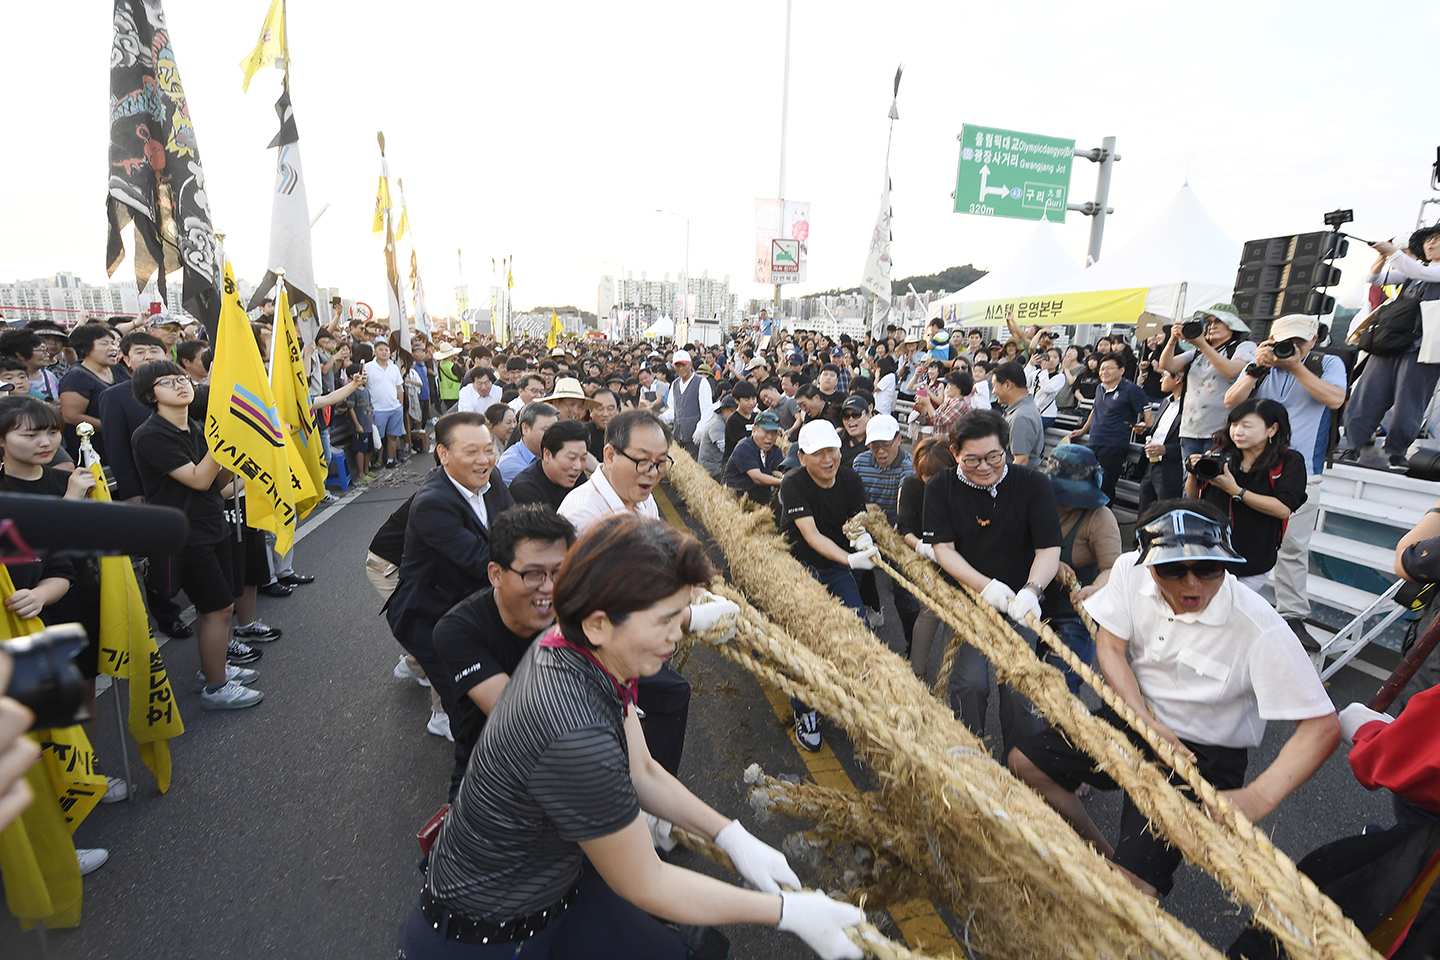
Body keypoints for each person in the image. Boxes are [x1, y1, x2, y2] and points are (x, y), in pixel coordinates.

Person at [401, 514, 864, 960]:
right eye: (665, 619)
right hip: (488, 934)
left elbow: (641, 771)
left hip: (555, 888)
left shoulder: (573, 645)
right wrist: (788, 913)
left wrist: (730, 835)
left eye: (682, 616)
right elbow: (647, 883)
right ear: (600, 623)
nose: (677, 634)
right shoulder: (573, 734)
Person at [1008, 500, 1339, 898]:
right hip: (1139, 718)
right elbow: (1111, 648)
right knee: (1023, 762)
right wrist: (1143, 719)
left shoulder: (1259, 627)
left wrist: (1257, 797)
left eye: (1208, 568)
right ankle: (1105, 853)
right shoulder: (1129, 572)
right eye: (1172, 570)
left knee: (1133, 889)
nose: (1192, 585)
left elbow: (1322, 726)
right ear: (1147, 564)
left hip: (1204, 753)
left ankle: (1129, 879)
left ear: (1226, 560)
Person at [559, 409, 691, 776]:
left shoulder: (640, 496)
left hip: (630, 629)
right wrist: (691, 614)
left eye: (661, 463)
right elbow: (618, 599)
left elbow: (659, 550)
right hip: (595, 646)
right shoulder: (586, 516)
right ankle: (650, 788)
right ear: (611, 455)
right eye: (643, 462)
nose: (652, 473)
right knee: (671, 694)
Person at [923, 409, 1060, 756]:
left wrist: (1033, 590)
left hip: (1019, 601)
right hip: (968, 601)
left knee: (1019, 686)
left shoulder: (1033, 484)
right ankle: (972, 752)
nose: (984, 467)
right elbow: (944, 550)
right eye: (971, 460)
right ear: (954, 453)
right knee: (970, 683)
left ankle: (1024, 762)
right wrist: (985, 586)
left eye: (993, 457)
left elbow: (1048, 548)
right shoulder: (941, 487)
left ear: (1006, 450)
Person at [130, 361, 263, 710]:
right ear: (149, 395)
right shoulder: (150, 436)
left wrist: (254, 465)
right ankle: (216, 687)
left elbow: (220, 485)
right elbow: (199, 478)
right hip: (184, 535)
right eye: (167, 382)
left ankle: (214, 670)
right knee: (217, 607)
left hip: (212, 525)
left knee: (220, 607)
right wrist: (224, 440)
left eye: (183, 379)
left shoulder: (196, 427)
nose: (180, 385)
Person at [431, 505, 577, 800]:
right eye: (533, 574)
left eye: (559, 572)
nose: (549, 588)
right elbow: (521, 722)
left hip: (575, 759)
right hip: (492, 771)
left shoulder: (575, 608)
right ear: (496, 574)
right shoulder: (458, 630)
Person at [386, 412, 515, 741]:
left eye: (489, 449)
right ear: (443, 454)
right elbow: (481, 562)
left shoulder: (491, 478)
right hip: (429, 617)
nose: (484, 460)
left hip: (469, 604)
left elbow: (515, 529)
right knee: (463, 702)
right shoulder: (433, 504)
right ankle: (473, 777)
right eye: (471, 452)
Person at [1223, 313, 1348, 646]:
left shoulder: (1327, 362)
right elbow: (1232, 402)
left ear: (1313, 341)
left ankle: (1292, 616)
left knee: (1293, 548)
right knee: (1243, 538)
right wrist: (1255, 368)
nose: (1291, 348)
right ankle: (1230, 607)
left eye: (1299, 342)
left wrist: (1295, 366)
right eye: (1284, 342)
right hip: (1254, 465)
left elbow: (1335, 399)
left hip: (1302, 467)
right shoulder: (1261, 365)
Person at [777, 419, 877, 752]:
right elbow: (811, 535)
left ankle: (853, 697)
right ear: (802, 457)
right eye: (818, 453)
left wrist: (862, 540)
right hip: (801, 564)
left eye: (832, 449)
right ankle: (804, 709)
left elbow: (856, 522)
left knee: (857, 628)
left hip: (835, 567)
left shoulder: (850, 478)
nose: (828, 458)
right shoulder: (793, 484)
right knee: (804, 640)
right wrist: (849, 560)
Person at [1337, 229, 1440, 472]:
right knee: (1368, 394)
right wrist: (1382, 257)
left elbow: (1422, 271)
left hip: (1421, 349)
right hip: (1391, 343)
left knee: (1409, 402)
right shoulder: (1414, 272)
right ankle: (1352, 446)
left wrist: (1391, 251)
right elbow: (1375, 279)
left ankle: (1397, 452)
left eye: (1437, 239)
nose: (1431, 243)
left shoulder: (1424, 271)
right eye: (1429, 239)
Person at [1187, 398, 1307, 596]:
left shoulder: (1289, 462)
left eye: (1246, 426)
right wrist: (1193, 472)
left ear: (1272, 429)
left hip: (1252, 561)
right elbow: (1194, 499)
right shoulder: (1220, 454)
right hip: (1208, 556)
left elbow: (1283, 508)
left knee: (1228, 609)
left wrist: (1236, 490)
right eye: (1234, 425)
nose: (1237, 432)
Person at [1036, 446, 1122, 694]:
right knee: (1025, 679)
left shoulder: (1100, 518)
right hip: (1033, 604)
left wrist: (1094, 588)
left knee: (1060, 682)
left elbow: (1111, 568)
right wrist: (1050, 563)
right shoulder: (1037, 503)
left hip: (1075, 614)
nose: (1065, 502)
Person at [851, 413, 920, 649]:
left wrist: (897, 522)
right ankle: (859, 634)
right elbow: (856, 498)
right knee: (852, 577)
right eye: (874, 446)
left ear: (899, 439)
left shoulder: (908, 465)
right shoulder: (860, 462)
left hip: (898, 535)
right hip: (866, 532)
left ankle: (913, 646)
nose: (880, 452)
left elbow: (905, 500)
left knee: (905, 595)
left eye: (886, 445)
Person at [1157, 303, 1255, 462]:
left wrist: (1201, 344)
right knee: (1189, 482)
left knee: (1217, 481)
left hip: (1223, 431)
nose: (1212, 326)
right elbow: (1167, 365)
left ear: (1232, 325)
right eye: (1208, 322)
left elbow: (1231, 370)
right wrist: (1172, 340)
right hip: (1190, 430)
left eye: (1218, 321)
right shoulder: (1197, 351)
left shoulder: (1243, 347)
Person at [897, 438, 956, 679]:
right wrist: (925, 548)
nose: (930, 481)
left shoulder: (963, 487)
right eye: (925, 475)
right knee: (929, 613)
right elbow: (905, 529)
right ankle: (916, 672)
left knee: (955, 623)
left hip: (960, 561)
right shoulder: (911, 486)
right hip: (927, 559)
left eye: (937, 474)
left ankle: (945, 677)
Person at [1067, 354, 1151, 502]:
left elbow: (1148, 415)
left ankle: (1103, 519)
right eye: (1102, 369)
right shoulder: (1100, 388)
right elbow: (1095, 410)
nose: (1104, 372)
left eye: (1108, 368)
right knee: (1086, 482)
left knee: (1105, 485)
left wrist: (1145, 427)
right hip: (1094, 442)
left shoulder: (1131, 390)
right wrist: (1083, 430)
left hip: (1114, 445)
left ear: (1122, 370)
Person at [58, 323, 121, 462]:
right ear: (86, 348)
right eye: (105, 343)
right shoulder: (76, 378)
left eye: (114, 343)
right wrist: (113, 427)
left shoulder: (119, 370)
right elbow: (71, 416)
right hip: (93, 450)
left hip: (119, 444)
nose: (113, 348)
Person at [509, 420, 590, 511]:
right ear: (547, 455)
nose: (578, 466)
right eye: (571, 458)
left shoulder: (576, 476)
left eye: (583, 458)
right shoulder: (524, 489)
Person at [1138, 367, 1186, 514]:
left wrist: (1166, 450)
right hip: (1151, 463)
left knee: (1164, 513)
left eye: (1164, 376)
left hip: (1171, 468)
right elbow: (1161, 430)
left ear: (1177, 379)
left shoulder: (1189, 406)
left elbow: (1192, 443)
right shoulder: (1166, 402)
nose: (1160, 379)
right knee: (1144, 511)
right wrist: (1145, 430)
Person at [722, 409, 784, 505]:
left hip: (762, 500)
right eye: (766, 432)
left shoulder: (776, 451)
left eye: (773, 433)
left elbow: (780, 472)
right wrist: (783, 481)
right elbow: (757, 477)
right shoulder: (744, 448)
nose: (770, 437)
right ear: (754, 430)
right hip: (736, 499)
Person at [659, 350, 713, 458]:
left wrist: (700, 428)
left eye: (684, 365)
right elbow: (673, 409)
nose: (681, 369)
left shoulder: (701, 382)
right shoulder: (675, 384)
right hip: (678, 435)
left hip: (694, 437)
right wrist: (662, 418)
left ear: (690, 364)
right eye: (677, 366)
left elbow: (707, 410)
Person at [992, 361, 1044, 466]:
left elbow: (1021, 461)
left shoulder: (1021, 417)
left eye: (994, 386)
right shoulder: (1019, 411)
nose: (993, 391)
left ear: (1007, 385)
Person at [365, 339, 407, 468]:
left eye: (386, 350)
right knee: (377, 438)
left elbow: (399, 388)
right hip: (377, 409)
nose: (384, 352)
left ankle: (390, 460)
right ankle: (373, 462)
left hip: (394, 407)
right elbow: (363, 387)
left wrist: (400, 405)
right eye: (381, 350)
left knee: (393, 436)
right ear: (375, 352)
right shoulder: (368, 367)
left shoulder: (394, 368)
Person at [497, 401, 558, 486]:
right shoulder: (511, 463)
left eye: (555, 430)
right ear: (525, 429)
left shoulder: (553, 454)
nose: (553, 435)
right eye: (546, 430)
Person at [698, 393, 738, 480]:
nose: (735, 415)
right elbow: (725, 449)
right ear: (723, 409)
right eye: (732, 411)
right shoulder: (717, 424)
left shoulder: (730, 423)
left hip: (721, 465)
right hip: (712, 469)